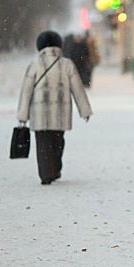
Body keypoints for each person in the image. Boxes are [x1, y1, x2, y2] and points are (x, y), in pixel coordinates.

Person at [17, 30, 93, 185]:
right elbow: (78, 88)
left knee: (42, 145)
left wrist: (23, 115)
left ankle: (46, 174)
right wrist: (84, 110)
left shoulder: (35, 65)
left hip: (39, 114)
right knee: (58, 142)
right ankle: (55, 168)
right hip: (60, 113)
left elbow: (26, 91)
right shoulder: (67, 64)